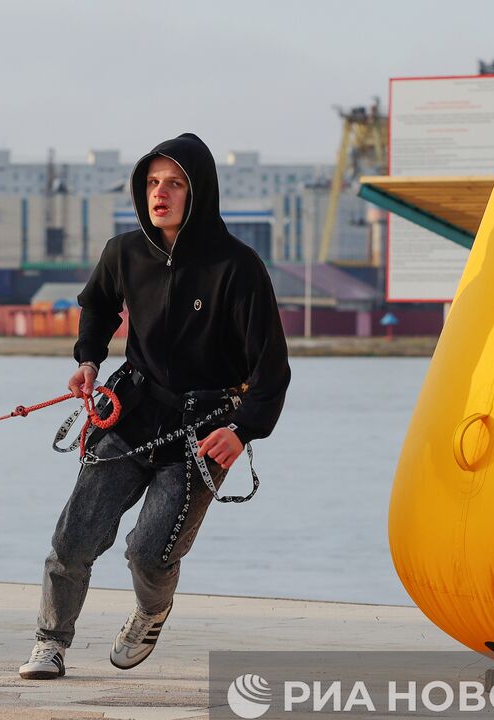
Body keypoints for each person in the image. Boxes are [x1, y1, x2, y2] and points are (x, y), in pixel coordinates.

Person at [19, 132, 290, 680]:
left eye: (173, 184)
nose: (159, 195)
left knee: (148, 552)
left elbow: (272, 369)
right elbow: (97, 305)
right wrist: (89, 359)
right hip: (133, 412)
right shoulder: (124, 252)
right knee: (73, 539)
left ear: (199, 193)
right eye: (151, 183)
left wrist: (243, 431)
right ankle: (50, 642)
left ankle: (151, 608)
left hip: (204, 431)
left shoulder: (238, 267)